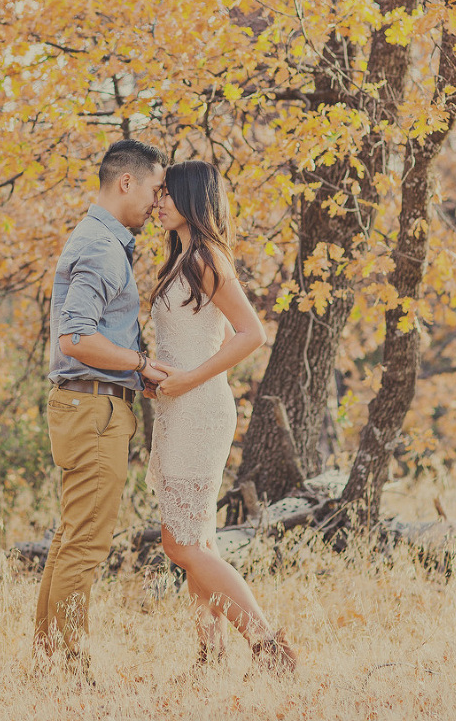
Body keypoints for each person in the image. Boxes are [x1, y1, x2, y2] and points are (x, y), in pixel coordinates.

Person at [146, 159, 297, 677]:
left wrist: (188, 379)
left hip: (199, 408)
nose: (157, 202)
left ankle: (267, 644)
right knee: (197, 541)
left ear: (191, 199)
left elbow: (251, 333)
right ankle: (209, 659)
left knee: (180, 543)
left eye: (166, 194)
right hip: (176, 407)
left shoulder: (206, 257)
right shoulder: (181, 260)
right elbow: (184, 339)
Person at [34, 139, 170, 673]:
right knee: (87, 545)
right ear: (126, 183)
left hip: (88, 407)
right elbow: (75, 337)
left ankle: (50, 659)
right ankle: (73, 667)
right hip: (93, 411)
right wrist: (138, 364)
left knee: (72, 537)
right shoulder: (100, 247)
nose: (157, 205)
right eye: (155, 191)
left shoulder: (100, 240)